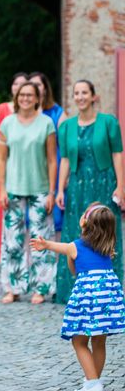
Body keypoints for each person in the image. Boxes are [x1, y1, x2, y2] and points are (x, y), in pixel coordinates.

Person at [30, 203, 124, 391]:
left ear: (85, 223)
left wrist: (46, 244)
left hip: (88, 298)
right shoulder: (108, 247)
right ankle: (93, 382)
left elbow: (71, 264)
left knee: (79, 341)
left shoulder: (76, 246)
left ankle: (93, 383)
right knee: (99, 341)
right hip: (107, 298)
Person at [56, 79, 124, 304]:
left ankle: (110, 290)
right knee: (76, 234)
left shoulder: (108, 122)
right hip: (77, 186)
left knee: (105, 233)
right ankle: (74, 289)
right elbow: (65, 159)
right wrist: (59, 188)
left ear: (93, 96)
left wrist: (121, 186)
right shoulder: (66, 127)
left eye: (85, 92)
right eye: (76, 93)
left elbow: (117, 155)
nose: (80, 97)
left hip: (104, 183)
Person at [0, 81, 57, 304]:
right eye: (22, 95)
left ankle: (41, 288)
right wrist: (2, 188)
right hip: (13, 188)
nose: (25, 98)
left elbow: (52, 160)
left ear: (37, 98)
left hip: (40, 188)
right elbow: (1, 158)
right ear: (17, 97)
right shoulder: (7, 123)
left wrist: (52, 191)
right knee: (12, 241)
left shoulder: (46, 124)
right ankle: (13, 287)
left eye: (30, 95)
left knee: (41, 239)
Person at [0, 72, 28, 263]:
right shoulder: (3, 109)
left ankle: (24, 250)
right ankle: (3, 252)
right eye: (15, 83)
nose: (18, 87)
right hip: (4, 165)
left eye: (23, 84)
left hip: (24, 166)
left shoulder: (34, 112)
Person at [29, 72, 67, 237]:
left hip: (53, 171)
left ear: (45, 88)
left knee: (55, 221)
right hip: (31, 171)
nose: (35, 88)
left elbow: (67, 148)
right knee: (30, 223)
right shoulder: (26, 113)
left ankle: (56, 261)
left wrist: (65, 177)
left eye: (38, 84)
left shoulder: (58, 113)